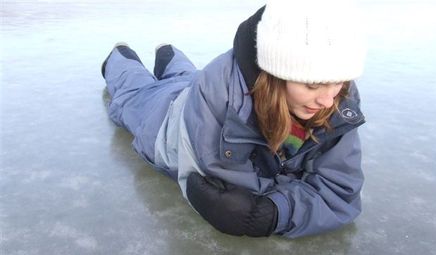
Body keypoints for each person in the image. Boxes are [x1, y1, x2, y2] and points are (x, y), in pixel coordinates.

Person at [101, 0, 367, 238]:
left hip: (197, 85)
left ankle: (168, 53)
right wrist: (289, 197)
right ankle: (119, 56)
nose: (328, 101)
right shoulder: (219, 94)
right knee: (133, 94)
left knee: (186, 77)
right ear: (276, 72)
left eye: (338, 83)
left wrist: (274, 212)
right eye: (312, 85)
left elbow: (338, 191)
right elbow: (229, 192)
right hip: (165, 119)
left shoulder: (337, 94)